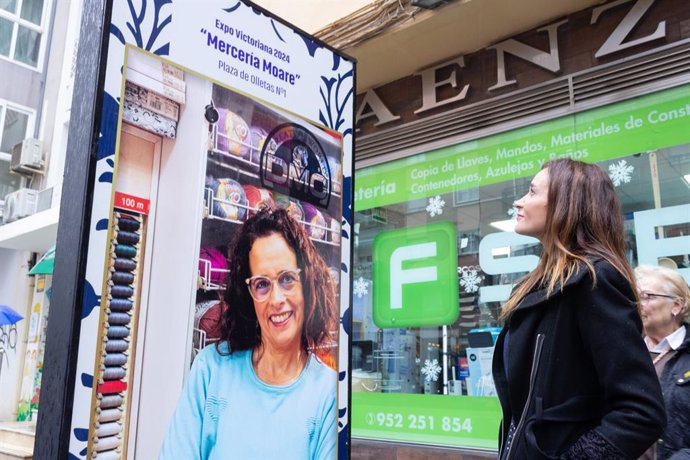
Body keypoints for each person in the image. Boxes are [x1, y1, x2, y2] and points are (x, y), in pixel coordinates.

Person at [491, 158, 665, 460]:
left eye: (532, 192)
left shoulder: (594, 279)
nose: (519, 201)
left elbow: (641, 413)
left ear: (565, 203)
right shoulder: (540, 285)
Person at [160, 208, 339, 460]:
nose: (277, 299)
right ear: (249, 296)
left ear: (308, 283)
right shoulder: (210, 370)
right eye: (262, 284)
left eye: (287, 278)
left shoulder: (329, 394)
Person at [636, 265, 690, 460]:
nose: (637, 303)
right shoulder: (624, 349)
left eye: (647, 296)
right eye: (634, 295)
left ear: (677, 305)